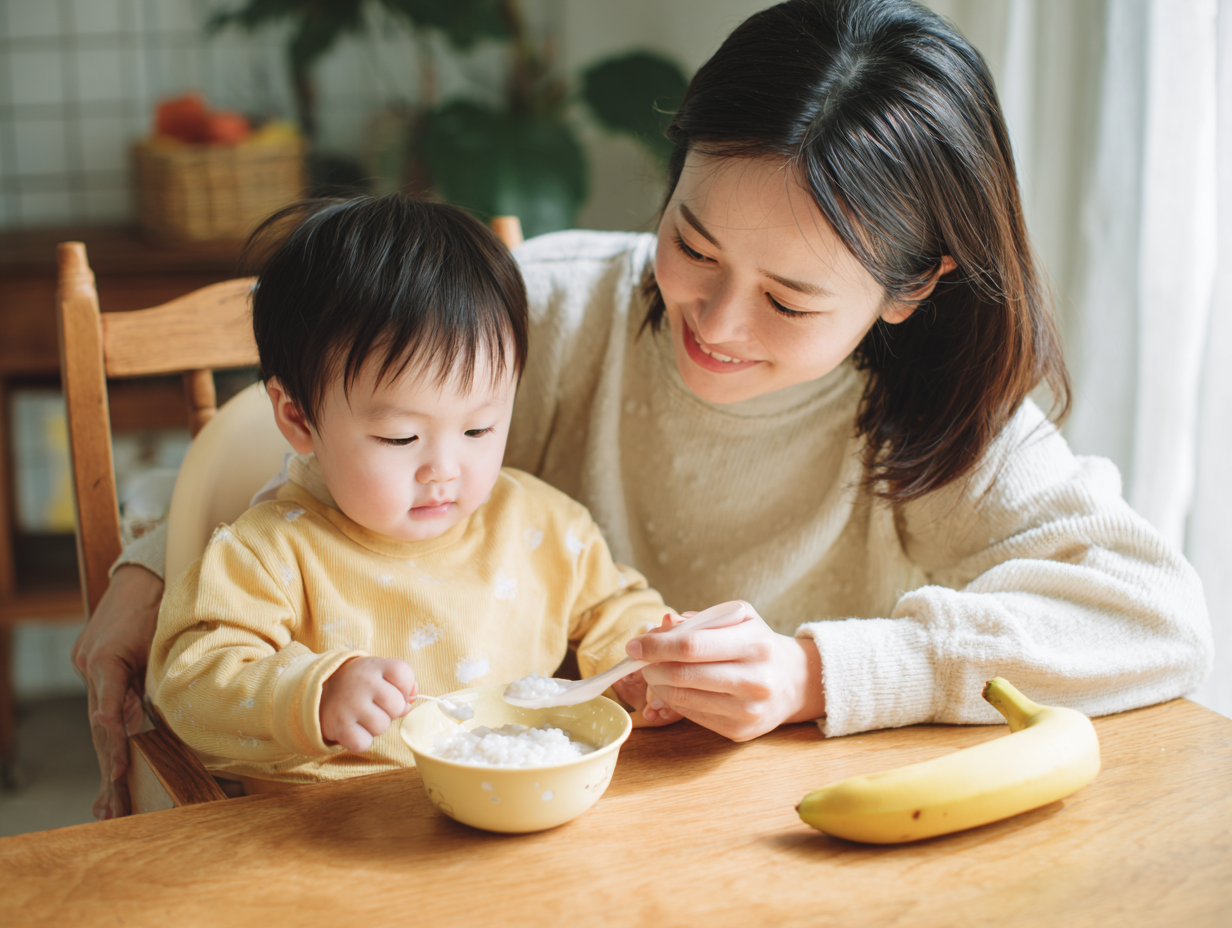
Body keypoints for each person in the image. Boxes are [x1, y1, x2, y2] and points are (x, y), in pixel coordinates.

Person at [75, 0, 1212, 817]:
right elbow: (321, 435)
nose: (712, 319)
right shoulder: (557, 311)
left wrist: (821, 672)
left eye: (787, 298)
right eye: (691, 242)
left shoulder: (950, 419)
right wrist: (151, 563)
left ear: (912, 289)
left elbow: (1156, 613)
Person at [145, 196, 678, 790]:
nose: (444, 469)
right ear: (298, 418)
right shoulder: (268, 553)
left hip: (509, 811)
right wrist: (313, 696)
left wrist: (639, 662)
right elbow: (188, 686)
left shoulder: (540, 523)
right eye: (400, 438)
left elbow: (614, 606)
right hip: (329, 832)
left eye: (479, 428)